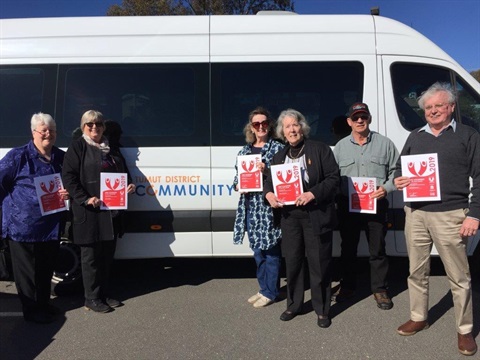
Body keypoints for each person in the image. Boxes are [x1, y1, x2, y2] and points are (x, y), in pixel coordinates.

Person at [394, 82, 479, 356]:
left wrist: (474, 215)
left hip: (452, 215)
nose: (433, 111)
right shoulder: (415, 136)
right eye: (428, 107)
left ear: (452, 107)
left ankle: (465, 330)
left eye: (439, 106)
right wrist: (399, 179)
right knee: (416, 271)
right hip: (416, 214)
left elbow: (479, 178)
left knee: (459, 276)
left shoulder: (468, 135)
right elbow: (399, 168)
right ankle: (419, 316)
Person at [264, 108, 339, 328]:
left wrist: (312, 193)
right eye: (287, 126)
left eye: (295, 124)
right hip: (290, 218)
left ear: (302, 126)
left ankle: (322, 309)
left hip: (315, 214)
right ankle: (294, 304)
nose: (292, 129)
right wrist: (268, 194)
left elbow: (334, 178)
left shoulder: (319, 149)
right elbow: (269, 181)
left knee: (319, 264)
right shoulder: (279, 156)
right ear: (282, 132)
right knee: (294, 263)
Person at [62, 110, 136, 313]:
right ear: (83, 127)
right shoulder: (78, 147)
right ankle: (91, 298)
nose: (95, 128)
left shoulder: (111, 148)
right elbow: (68, 177)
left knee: (106, 256)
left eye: (99, 124)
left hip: (111, 212)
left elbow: (124, 172)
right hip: (90, 211)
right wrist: (85, 198)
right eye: (90, 125)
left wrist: (128, 185)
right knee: (91, 258)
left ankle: (103, 293)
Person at [0, 113, 69, 323]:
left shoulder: (60, 156)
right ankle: (32, 311)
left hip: (51, 225)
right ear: (34, 133)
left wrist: (67, 192)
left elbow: (69, 181)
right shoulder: (17, 156)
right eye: (43, 130)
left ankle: (44, 304)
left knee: (45, 269)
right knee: (27, 273)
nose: (48, 133)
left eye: (52, 130)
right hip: (23, 225)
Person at [333, 102, 399, 310]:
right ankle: (348, 286)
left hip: (376, 205)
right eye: (355, 118)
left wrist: (386, 188)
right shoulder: (340, 147)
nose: (360, 120)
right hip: (348, 206)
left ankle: (380, 289)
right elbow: (333, 177)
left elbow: (397, 170)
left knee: (377, 249)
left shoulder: (385, 144)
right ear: (349, 121)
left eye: (364, 117)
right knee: (348, 248)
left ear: (369, 118)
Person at [233, 107, 284, 308]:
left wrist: (268, 170)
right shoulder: (244, 151)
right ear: (251, 128)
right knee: (257, 252)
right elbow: (237, 178)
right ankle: (264, 288)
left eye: (264, 123)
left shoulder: (278, 148)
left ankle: (271, 292)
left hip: (268, 208)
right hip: (251, 208)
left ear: (269, 125)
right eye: (256, 124)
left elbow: (286, 178)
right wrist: (238, 185)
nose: (261, 127)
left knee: (271, 252)